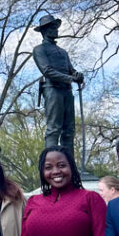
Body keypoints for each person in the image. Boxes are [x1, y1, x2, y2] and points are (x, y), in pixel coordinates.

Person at [32, 15, 84, 152]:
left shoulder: (63, 52)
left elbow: (71, 70)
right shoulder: (39, 50)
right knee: (54, 129)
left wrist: (77, 75)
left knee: (69, 130)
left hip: (67, 91)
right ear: (45, 30)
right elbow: (47, 71)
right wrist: (70, 78)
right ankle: (50, 163)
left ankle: (69, 165)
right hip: (52, 90)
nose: (56, 30)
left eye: (56, 27)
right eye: (53, 27)